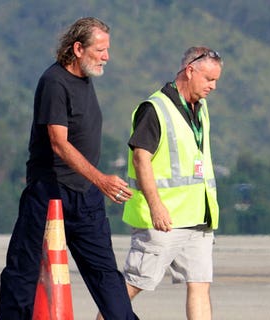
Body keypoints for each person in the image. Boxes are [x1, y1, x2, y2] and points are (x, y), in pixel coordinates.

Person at [0, 17, 138, 320]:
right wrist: (101, 180)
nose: (106, 57)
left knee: (105, 276)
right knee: (22, 274)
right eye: (100, 50)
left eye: (107, 49)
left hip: (85, 197)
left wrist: (95, 185)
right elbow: (58, 143)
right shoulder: (54, 81)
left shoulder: (86, 79)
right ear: (77, 48)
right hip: (49, 195)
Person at [113, 46, 223, 320]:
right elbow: (141, 160)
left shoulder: (201, 108)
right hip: (163, 219)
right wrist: (156, 206)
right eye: (209, 79)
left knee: (200, 284)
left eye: (216, 80)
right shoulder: (155, 109)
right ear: (190, 71)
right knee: (135, 282)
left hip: (198, 218)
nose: (213, 86)